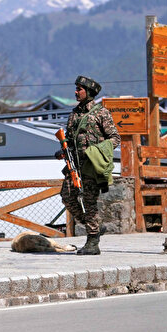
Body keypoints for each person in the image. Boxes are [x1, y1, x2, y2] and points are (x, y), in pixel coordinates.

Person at [55, 75, 120, 255]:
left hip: (91, 166)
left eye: (79, 89)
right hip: (74, 166)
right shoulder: (74, 114)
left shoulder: (101, 113)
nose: (76, 92)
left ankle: (93, 243)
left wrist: (96, 152)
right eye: (76, 89)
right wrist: (63, 151)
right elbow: (69, 139)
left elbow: (115, 138)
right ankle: (96, 227)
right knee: (67, 197)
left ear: (89, 92)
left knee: (89, 202)